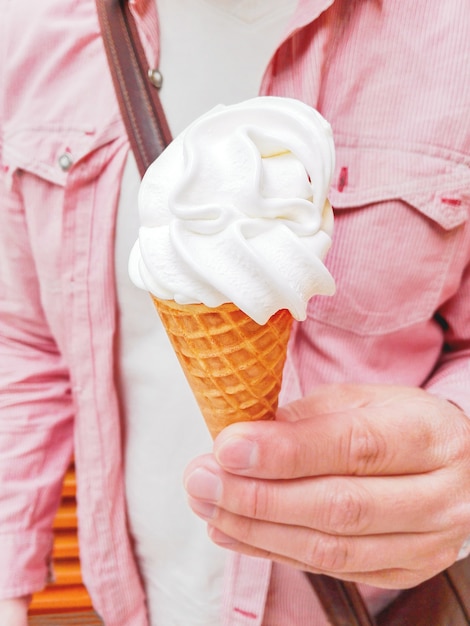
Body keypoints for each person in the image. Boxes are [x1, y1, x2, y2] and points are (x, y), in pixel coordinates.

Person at [1, 1, 469, 625]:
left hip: (374, 608)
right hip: (134, 606)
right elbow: (25, 341)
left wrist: (458, 467)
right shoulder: (32, 28)